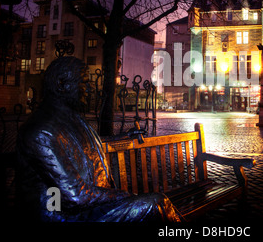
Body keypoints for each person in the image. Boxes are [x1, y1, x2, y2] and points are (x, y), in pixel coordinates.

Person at [17, 56, 181, 222]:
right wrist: (126, 196)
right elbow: (76, 196)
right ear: (62, 85)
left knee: (155, 204)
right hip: (63, 217)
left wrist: (122, 137)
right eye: (84, 82)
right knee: (155, 204)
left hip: (86, 209)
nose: (89, 90)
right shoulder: (41, 131)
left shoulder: (69, 117)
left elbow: (84, 148)